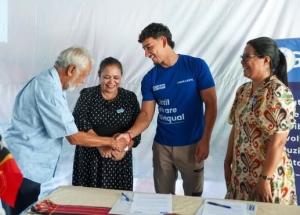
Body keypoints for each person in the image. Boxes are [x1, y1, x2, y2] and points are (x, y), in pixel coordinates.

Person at [1, 47, 128, 215]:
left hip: (25, 167)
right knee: (21, 212)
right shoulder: (48, 88)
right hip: (22, 168)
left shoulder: (50, 83)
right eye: (83, 75)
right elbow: (74, 137)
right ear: (71, 69)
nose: (83, 80)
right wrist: (112, 141)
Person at [117, 23, 217, 196]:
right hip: (162, 147)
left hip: (193, 145)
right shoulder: (150, 78)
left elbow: (211, 103)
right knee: (162, 200)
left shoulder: (196, 66)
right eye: (144, 49)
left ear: (163, 41)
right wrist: (129, 134)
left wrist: (205, 139)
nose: (146, 54)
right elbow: (146, 114)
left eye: (149, 47)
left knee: (193, 199)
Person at [224, 37, 297, 205]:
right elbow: (236, 128)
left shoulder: (278, 92)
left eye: (246, 57)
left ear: (266, 60)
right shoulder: (243, 91)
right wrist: (227, 162)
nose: (242, 62)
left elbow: (278, 142)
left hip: (268, 178)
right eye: (242, 57)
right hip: (242, 174)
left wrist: (265, 178)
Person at [72, 57, 141, 191]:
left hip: (119, 159)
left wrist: (124, 149)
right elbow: (80, 124)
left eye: (116, 77)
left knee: (119, 203)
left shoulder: (130, 98)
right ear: (99, 75)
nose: (111, 82)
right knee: (87, 203)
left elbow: (136, 131)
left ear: (121, 77)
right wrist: (101, 145)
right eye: (107, 77)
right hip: (90, 159)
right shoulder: (87, 95)